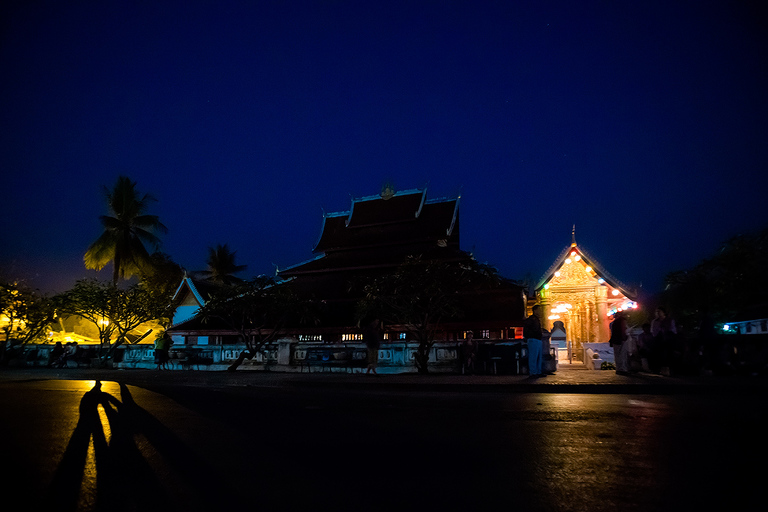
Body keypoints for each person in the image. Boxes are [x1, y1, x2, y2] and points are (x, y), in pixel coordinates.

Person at [651, 307, 677, 375]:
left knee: (668, 355)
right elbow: (653, 331)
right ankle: (659, 369)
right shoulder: (655, 321)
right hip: (658, 340)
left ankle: (668, 370)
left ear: (663, 312)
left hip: (668, 340)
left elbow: (673, 330)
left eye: (659, 311)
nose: (657, 313)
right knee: (658, 355)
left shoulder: (669, 320)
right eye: (657, 312)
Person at [524, 305, 544, 377]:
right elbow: (527, 329)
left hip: (537, 339)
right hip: (533, 339)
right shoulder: (531, 320)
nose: (540, 312)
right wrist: (531, 335)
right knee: (533, 357)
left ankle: (538, 371)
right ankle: (533, 372)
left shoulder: (536, 319)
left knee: (538, 357)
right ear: (535, 311)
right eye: (539, 310)